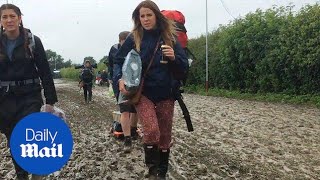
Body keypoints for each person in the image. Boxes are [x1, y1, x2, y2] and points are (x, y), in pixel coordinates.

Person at [113, 1, 188, 179]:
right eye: (142, 16)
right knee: (152, 130)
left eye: (149, 15)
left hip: (166, 93)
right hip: (143, 93)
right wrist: (119, 79)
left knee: (164, 134)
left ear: (157, 16)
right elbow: (118, 61)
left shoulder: (170, 37)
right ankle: (152, 170)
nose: (146, 19)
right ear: (138, 18)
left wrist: (174, 57)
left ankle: (162, 172)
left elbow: (183, 68)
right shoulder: (134, 37)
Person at [0, 4, 58, 180]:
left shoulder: (32, 41)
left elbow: (45, 71)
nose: (9, 20)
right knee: (13, 141)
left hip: (29, 96)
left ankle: (37, 170)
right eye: (4, 17)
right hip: (4, 100)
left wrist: (50, 101)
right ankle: (21, 174)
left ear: (19, 18)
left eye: (12, 16)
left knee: (28, 135)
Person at [109, 31, 139, 153]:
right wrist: (115, 80)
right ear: (121, 40)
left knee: (134, 108)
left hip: (135, 82)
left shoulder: (136, 48)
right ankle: (127, 138)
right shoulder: (115, 50)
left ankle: (133, 130)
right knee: (125, 109)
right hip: (122, 82)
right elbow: (113, 66)